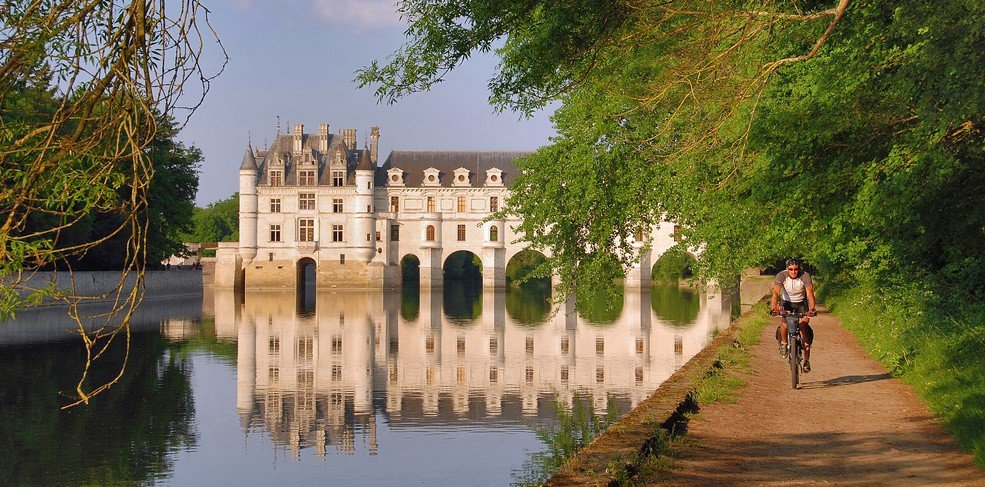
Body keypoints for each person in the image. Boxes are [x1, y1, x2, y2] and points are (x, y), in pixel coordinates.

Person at [770, 258, 817, 372]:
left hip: (801, 303)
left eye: (796, 269)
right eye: (791, 269)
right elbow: (776, 292)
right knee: (784, 324)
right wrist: (774, 308)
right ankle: (784, 343)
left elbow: (810, 294)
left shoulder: (805, 276)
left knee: (803, 326)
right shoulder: (781, 276)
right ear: (787, 269)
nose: (794, 272)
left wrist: (812, 309)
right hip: (786, 303)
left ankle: (806, 360)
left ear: (799, 268)